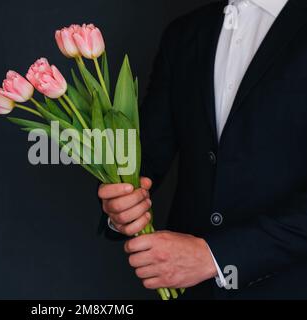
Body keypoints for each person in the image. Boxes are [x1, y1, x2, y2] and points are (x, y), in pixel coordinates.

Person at [99, 0, 307, 299]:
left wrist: (216, 256)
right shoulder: (184, 33)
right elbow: (146, 156)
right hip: (190, 292)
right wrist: (120, 206)